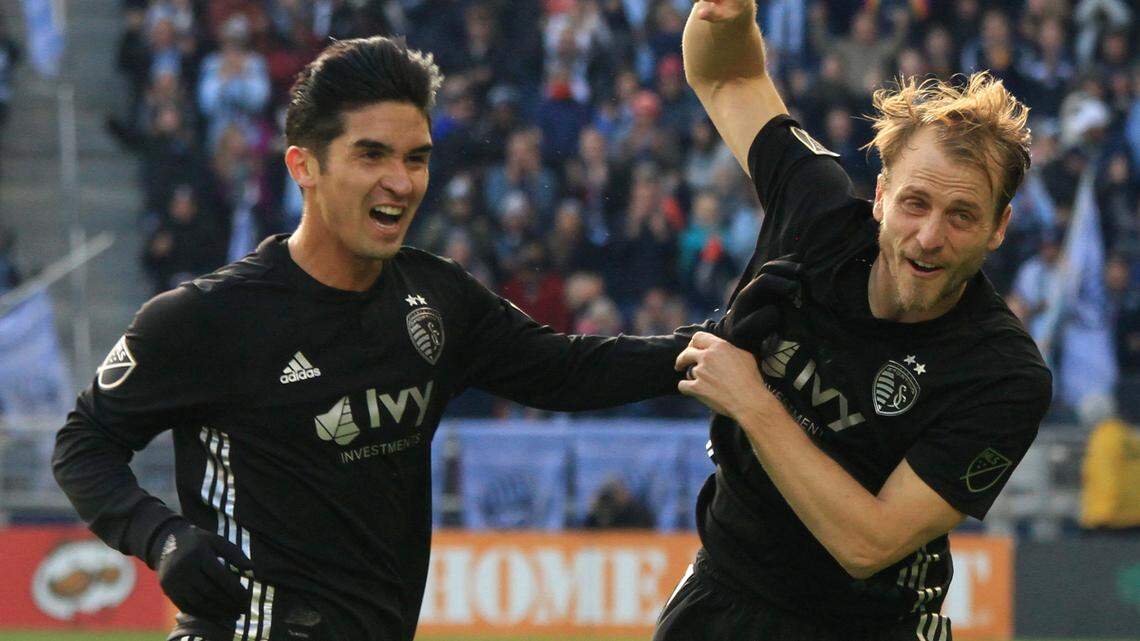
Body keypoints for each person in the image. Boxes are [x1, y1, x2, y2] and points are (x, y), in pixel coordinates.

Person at [52, 36, 717, 641]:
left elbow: (568, 371)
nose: (400, 181)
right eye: (371, 154)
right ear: (303, 166)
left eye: (416, 158)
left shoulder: (438, 298)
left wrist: (714, 344)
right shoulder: (209, 317)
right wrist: (162, 536)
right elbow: (84, 441)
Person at [658, 2, 1052, 640]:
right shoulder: (814, 213)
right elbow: (728, 79)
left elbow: (868, 544)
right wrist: (726, 18)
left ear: (999, 229)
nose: (928, 238)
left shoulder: (1003, 375)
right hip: (720, 595)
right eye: (915, 204)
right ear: (880, 195)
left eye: (962, 216)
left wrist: (753, 404)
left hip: (867, 625)